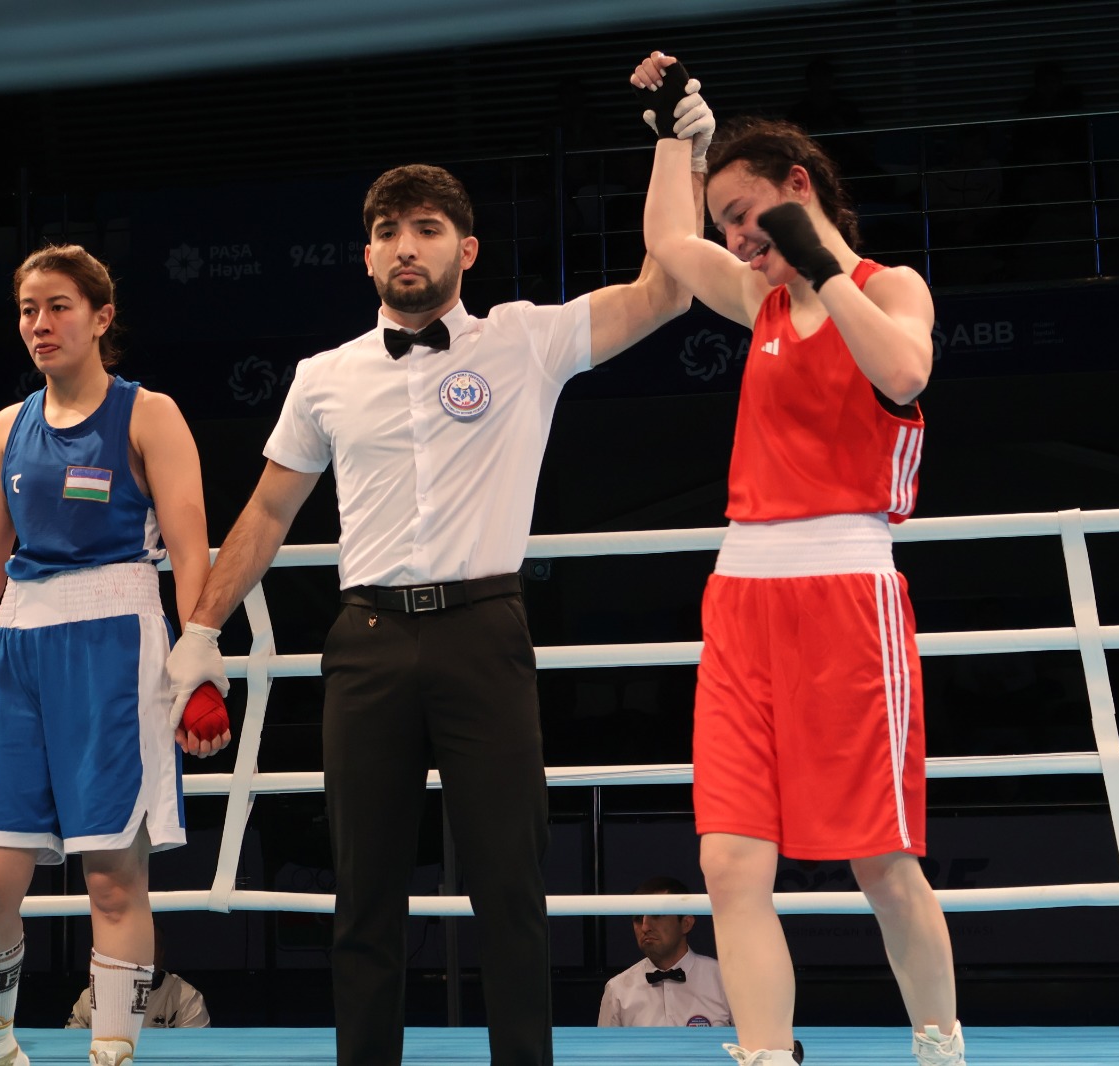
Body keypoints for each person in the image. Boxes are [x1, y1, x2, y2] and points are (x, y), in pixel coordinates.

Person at [163, 162, 691, 1066]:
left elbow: (666, 291)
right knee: (364, 893)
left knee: (510, 886)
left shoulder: (525, 340)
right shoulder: (324, 376)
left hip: (484, 631)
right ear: (367, 257)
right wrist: (202, 632)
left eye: (427, 229)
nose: (406, 247)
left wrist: (678, 150)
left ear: (467, 249)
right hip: (366, 642)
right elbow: (267, 512)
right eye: (388, 233)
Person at [631, 52, 964, 1066]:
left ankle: (939, 1046)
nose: (737, 238)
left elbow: (904, 372)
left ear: (799, 188)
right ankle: (767, 1055)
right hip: (742, 599)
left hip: (847, 599)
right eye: (728, 223)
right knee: (730, 863)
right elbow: (665, 243)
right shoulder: (757, 301)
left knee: (881, 862)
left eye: (746, 215)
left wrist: (822, 266)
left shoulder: (887, 286)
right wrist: (675, 141)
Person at [0, 244, 215, 1066]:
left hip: (117, 646)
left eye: (58, 307)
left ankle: (112, 1053)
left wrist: (200, 664)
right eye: (27, 310)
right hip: (18, 653)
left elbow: (192, 552)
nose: (39, 324)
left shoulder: (150, 414)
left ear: (102, 317)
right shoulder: (9, 427)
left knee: (112, 878)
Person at [597, 877, 736, 1030]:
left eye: (656, 915)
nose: (645, 927)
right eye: (638, 918)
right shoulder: (617, 990)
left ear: (686, 923)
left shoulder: (726, 981)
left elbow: (751, 1043)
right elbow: (605, 1046)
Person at [65, 928, 210, 1030]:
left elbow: (196, 1055)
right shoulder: (92, 996)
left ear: (161, 954)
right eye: (134, 947)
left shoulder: (186, 998)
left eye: (149, 947)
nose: (140, 955)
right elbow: (70, 1048)